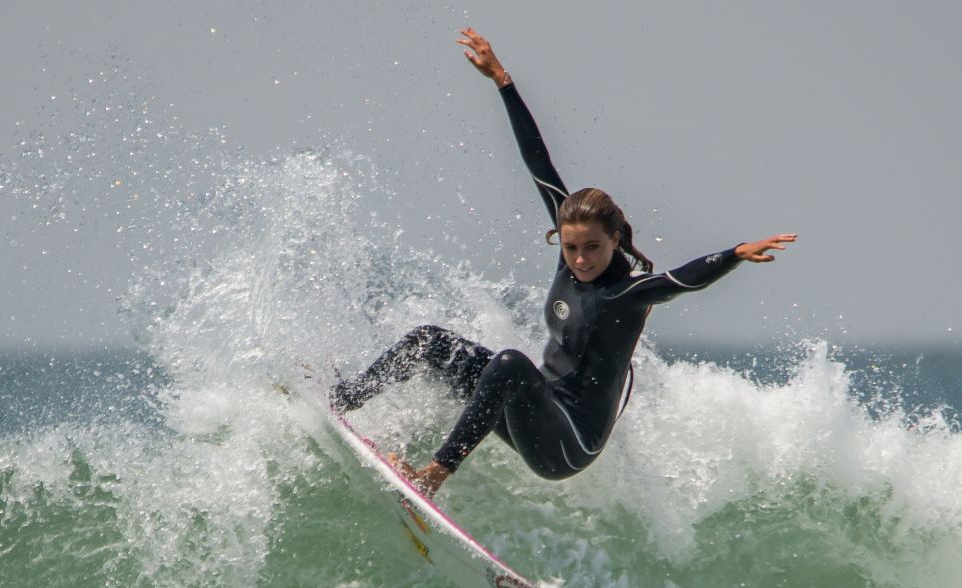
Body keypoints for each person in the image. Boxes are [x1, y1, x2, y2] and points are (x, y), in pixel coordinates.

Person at [331, 27, 796, 496]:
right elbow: (539, 163)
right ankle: (343, 400)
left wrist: (734, 254)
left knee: (510, 363)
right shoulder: (569, 260)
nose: (580, 258)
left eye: (592, 247)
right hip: (537, 411)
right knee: (430, 342)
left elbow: (684, 279)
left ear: (615, 240)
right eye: (571, 247)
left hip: (569, 443)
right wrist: (502, 81)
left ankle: (432, 476)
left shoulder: (628, 293)